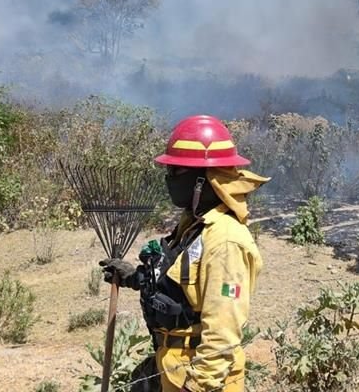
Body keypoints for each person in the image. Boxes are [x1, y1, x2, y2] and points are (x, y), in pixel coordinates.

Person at [100, 115, 269, 392]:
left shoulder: (226, 240)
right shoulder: (194, 225)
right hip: (173, 367)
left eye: (176, 171)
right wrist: (135, 277)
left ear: (203, 179)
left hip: (202, 379)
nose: (169, 179)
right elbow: (179, 286)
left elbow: (223, 329)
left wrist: (199, 385)